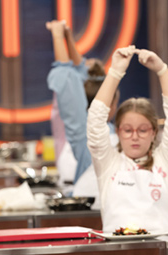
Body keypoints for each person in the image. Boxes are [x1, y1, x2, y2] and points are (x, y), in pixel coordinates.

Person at [86, 46, 168, 234]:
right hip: (118, 250)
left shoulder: (164, 160)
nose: (134, 136)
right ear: (117, 131)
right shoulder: (108, 163)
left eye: (142, 130)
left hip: (163, 250)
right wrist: (115, 72)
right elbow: (95, 119)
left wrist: (162, 70)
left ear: (154, 132)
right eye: (127, 130)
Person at [46, 20, 119, 199]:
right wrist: (57, 35)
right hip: (92, 204)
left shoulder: (112, 131)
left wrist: (67, 37)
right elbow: (66, 75)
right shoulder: (85, 130)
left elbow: (77, 73)